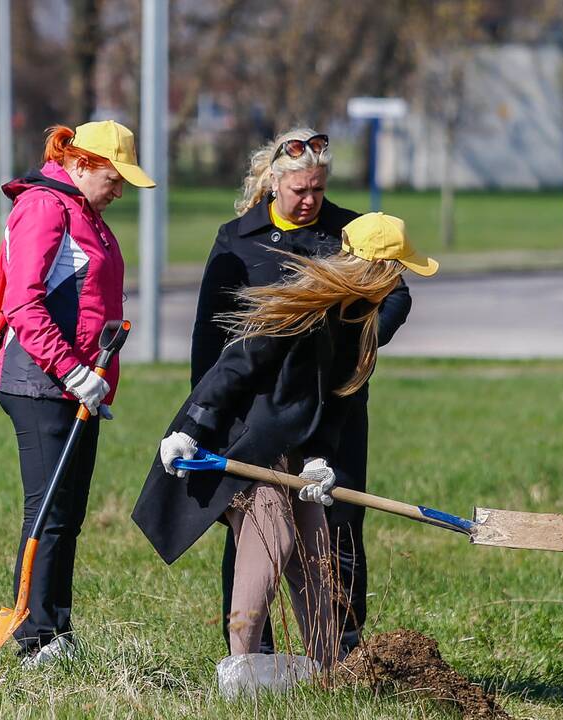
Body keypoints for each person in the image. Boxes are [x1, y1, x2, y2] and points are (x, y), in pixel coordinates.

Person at [133, 213, 438, 667]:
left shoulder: (359, 323)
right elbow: (236, 366)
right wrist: (189, 430)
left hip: (295, 443)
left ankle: (330, 668)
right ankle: (242, 665)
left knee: (315, 546)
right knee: (272, 536)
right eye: (396, 271)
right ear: (374, 270)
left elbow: (335, 403)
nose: (399, 282)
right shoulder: (303, 307)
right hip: (246, 438)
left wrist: (320, 460)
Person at [189, 128, 412, 654]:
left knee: (338, 517)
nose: (311, 200)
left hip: (333, 406)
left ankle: (341, 644)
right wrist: (205, 412)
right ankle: (251, 647)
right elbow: (210, 332)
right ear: (274, 182)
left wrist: (356, 343)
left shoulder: (349, 230)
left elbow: (396, 294)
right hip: (254, 410)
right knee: (254, 526)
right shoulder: (237, 238)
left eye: (318, 189)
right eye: (300, 191)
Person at [0, 120, 155, 667]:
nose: (120, 189)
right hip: (39, 383)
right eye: (114, 177)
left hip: (78, 387)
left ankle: (55, 629)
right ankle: (35, 636)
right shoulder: (44, 207)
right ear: (81, 163)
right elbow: (24, 304)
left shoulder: (88, 214)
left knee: (68, 512)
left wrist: (94, 380)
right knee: (48, 510)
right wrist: (71, 371)